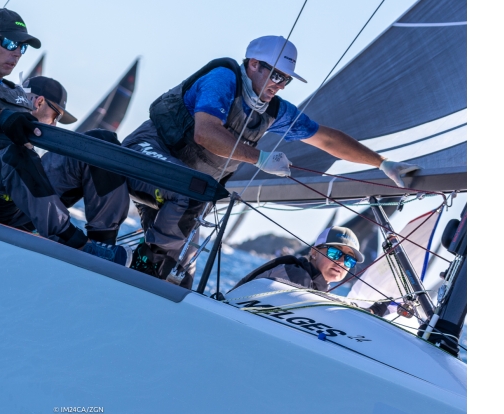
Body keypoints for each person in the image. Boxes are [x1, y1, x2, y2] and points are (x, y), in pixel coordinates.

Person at [123, 35, 419, 288]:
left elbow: (327, 139)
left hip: (188, 187)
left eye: (286, 80)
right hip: (150, 154)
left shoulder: (275, 110)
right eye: (277, 76)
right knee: (178, 198)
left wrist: (383, 163)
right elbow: (205, 133)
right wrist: (260, 158)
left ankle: (140, 281)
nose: (280, 85)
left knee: (171, 273)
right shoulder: (223, 79)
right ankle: (117, 257)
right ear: (253, 64)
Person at [0, 8, 131, 265]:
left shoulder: (16, 93)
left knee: (99, 141)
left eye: (22, 47)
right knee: (15, 155)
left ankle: (103, 245)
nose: (16, 52)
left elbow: (37, 115)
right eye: (9, 42)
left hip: (12, 194)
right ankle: (77, 245)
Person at [231, 226, 364, 292]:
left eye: (349, 260)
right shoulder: (296, 276)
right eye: (334, 253)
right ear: (314, 252)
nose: (340, 262)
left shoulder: (315, 286)